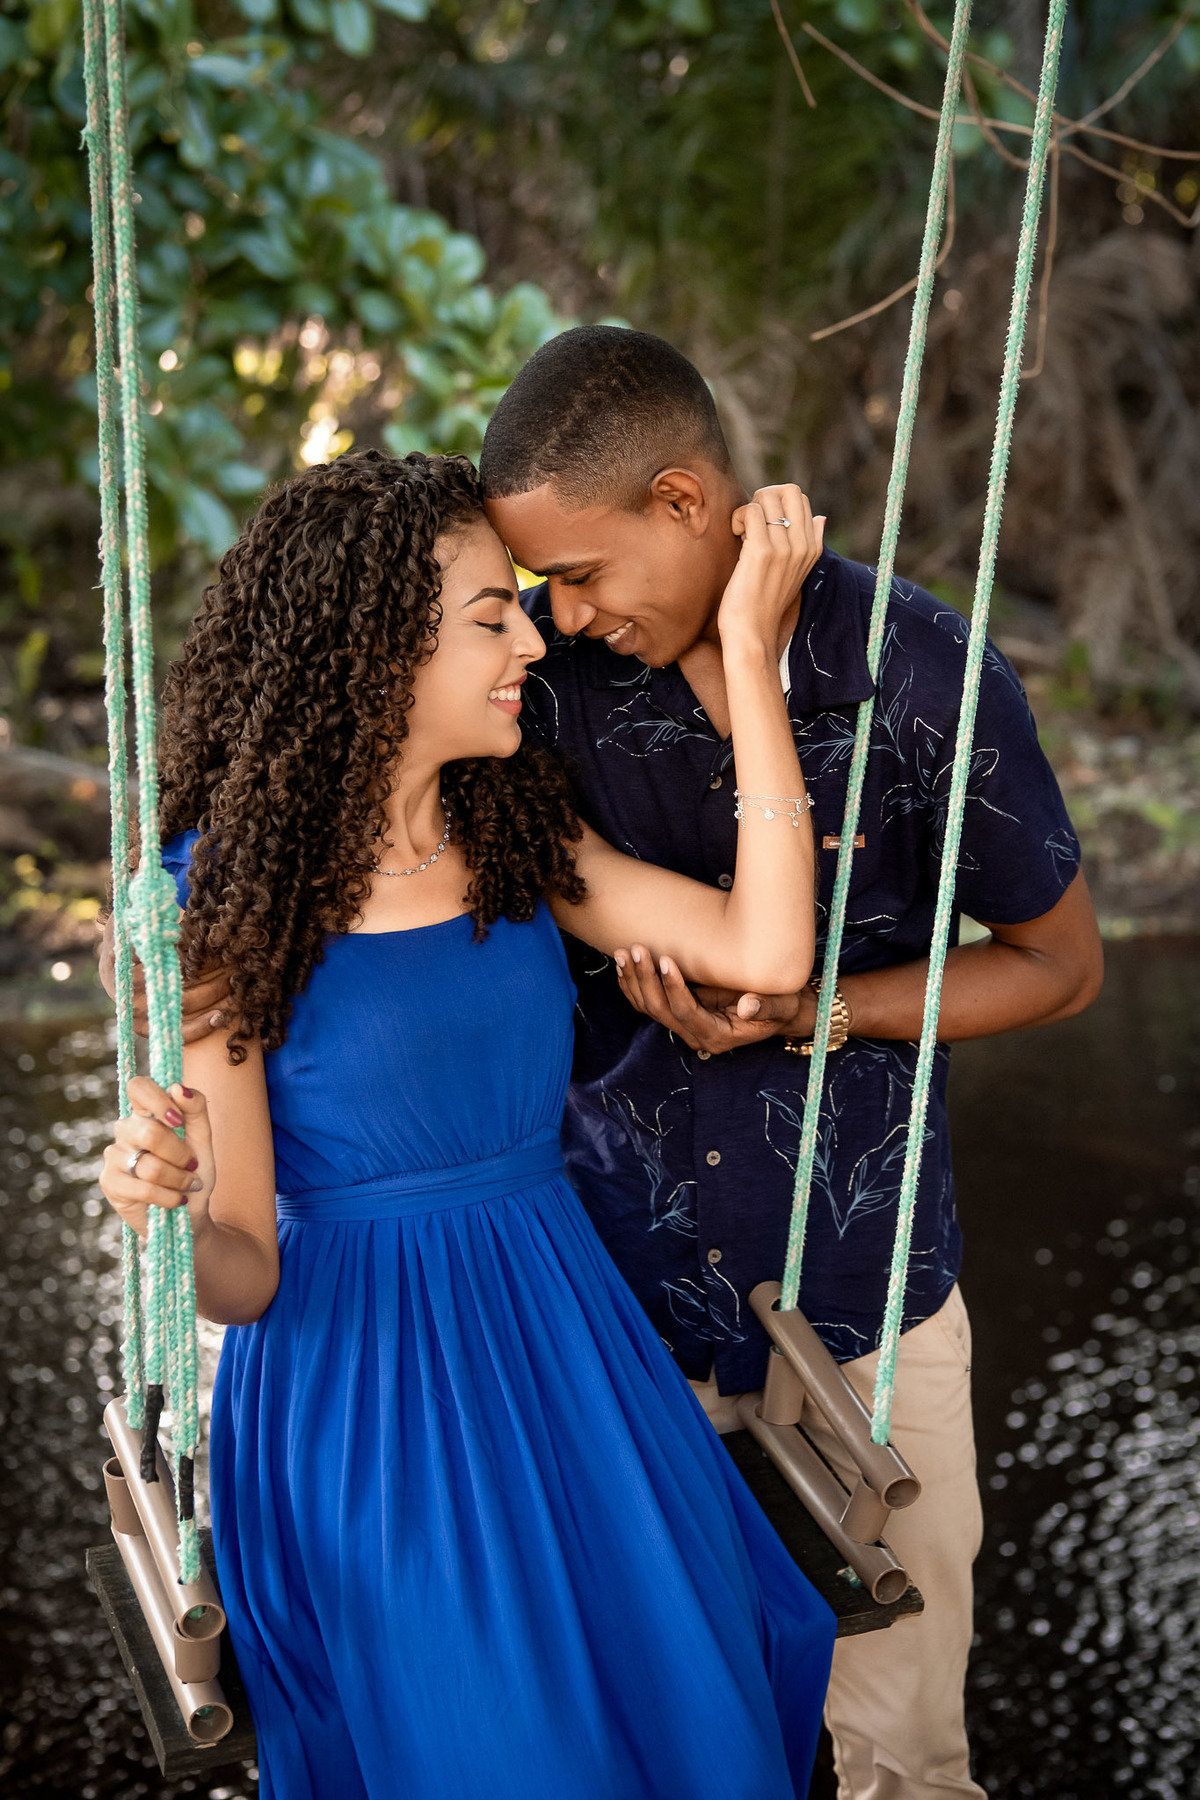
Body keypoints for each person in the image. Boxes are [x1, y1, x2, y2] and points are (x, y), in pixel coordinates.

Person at [95, 448, 836, 1800]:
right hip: (367, 1399)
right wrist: (169, 1211)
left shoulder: (511, 834)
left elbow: (771, 953)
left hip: (566, 1345)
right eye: (492, 614)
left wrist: (750, 664)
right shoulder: (213, 907)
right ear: (377, 653)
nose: (532, 637)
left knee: (709, 1689)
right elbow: (243, 1265)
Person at [473, 327, 1104, 1798]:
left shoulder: (922, 670)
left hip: (870, 1313)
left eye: (579, 572)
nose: (556, 613)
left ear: (686, 502)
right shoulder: (543, 694)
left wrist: (820, 1014)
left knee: (902, 1758)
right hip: (622, 1324)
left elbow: (1061, 967)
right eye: (534, 585)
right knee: (670, 1754)